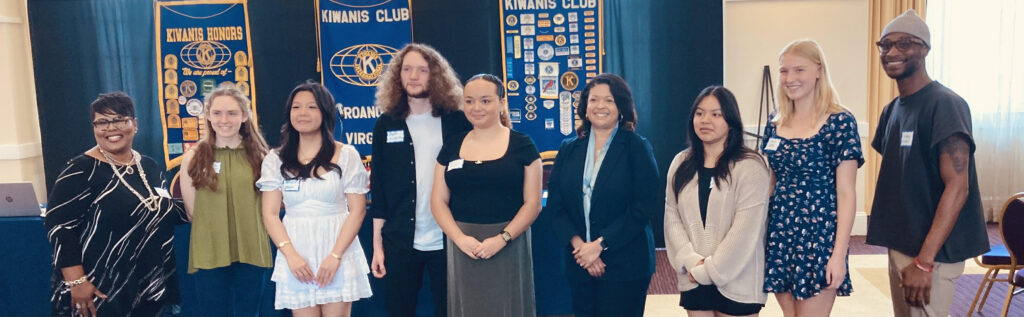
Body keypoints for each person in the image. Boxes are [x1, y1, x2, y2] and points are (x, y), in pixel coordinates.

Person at [866, 10, 989, 317]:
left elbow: (958, 188)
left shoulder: (945, 104)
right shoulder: (892, 110)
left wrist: (924, 261)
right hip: (904, 243)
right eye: (886, 45)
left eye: (905, 44)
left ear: (925, 49)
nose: (893, 52)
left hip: (932, 253)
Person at [44, 92, 187, 316]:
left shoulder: (149, 166)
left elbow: (163, 211)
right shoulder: (80, 169)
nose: (111, 128)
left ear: (135, 124)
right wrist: (76, 282)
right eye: (102, 122)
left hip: (148, 285)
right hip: (99, 289)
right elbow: (59, 226)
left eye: (120, 120)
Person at [760, 39, 863, 317]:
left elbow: (846, 193)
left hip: (819, 237)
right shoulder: (775, 121)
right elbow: (770, 183)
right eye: (784, 71)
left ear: (819, 70)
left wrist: (839, 254)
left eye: (799, 70)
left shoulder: (840, 122)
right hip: (780, 233)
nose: (790, 78)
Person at [369, 43, 471, 317]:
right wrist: (377, 248)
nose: (413, 76)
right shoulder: (386, 125)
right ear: (398, 76)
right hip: (401, 240)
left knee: (451, 310)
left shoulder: (457, 121)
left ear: (435, 75)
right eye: (407, 69)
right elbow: (378, 192)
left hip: (450, 238)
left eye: (422, 70)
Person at [544, 73, 658, 317]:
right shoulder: (568, 149)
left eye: (609, 100)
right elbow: (556, 205)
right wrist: (582, 249)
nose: (600, 106)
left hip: (625, 263)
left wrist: (600, 245)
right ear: (585, 108)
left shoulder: (636, 147)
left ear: (621, 107)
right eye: (594, 100)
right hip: (579, 261)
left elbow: (643, 207)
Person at [430, 74, 543, 317]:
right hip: (463, 245)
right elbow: (438, 201)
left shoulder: (523, 145)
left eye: (485, 100)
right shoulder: (451, 145)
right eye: (469, 101)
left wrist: (502, 238)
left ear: (501, 102)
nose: (476, 108)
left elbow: (533, 203)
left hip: (509, 243)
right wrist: (460, 239)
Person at [257, 82, 373, 315]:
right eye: (296, 107)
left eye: (311, 107)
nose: (302, 113)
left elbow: (358, 210)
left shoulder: (346, 154)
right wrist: (291, 256)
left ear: (325, 112)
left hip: (337, 250)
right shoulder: (275, 159)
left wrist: (335, 256)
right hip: (296, 254)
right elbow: (269, 214)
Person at [665, 86, 771, 317]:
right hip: (693, 277)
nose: (706, 120)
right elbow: (672, 219)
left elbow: (745, 231)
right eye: (700, 113)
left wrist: (708, 271)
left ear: (731, 121)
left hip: (738, 279)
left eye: (716, 114)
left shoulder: (750, 166)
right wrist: (692, 262)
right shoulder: (681, 163)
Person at [179, 86, 273, 316]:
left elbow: (270, 205)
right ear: (208, 116)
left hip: (252, 249)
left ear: (244, 116)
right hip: (210, 250)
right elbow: (192, 210)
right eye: (218, 113)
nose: (224, 120)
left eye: (232, 113)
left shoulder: (262, 156)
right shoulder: (193, 156)